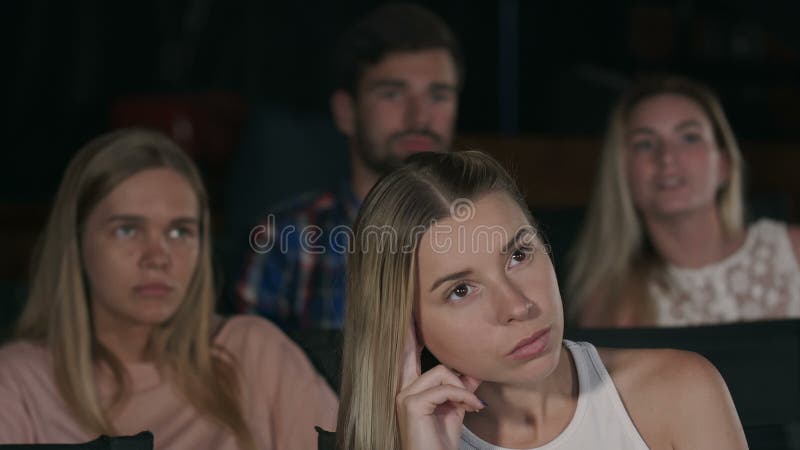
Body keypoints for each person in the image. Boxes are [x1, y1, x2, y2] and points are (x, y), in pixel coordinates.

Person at [327, 151, 746, 449]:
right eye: (460, 290)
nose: (517, 306)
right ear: (406, 324)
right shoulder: (400, 441)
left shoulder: (680, 391)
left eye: (518, 255)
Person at [0, 129, 337, 449]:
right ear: (76, 241)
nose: (158, 257)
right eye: (127, 230)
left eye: (179, 233)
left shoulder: (251, 353)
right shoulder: (19, 380)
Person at [236, 2, 463, 330]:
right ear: (346, 112)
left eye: (438, 96)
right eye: (392, 94)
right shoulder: (285, 240)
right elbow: (248, 373)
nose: (420, 117)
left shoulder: (488, 234)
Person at [566, 75, 800, 327]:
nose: (667, 157)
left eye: (689, 137)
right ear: (622, 173)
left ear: (724, 164)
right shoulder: (610, 302)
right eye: (644, 144)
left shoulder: (793, 251)